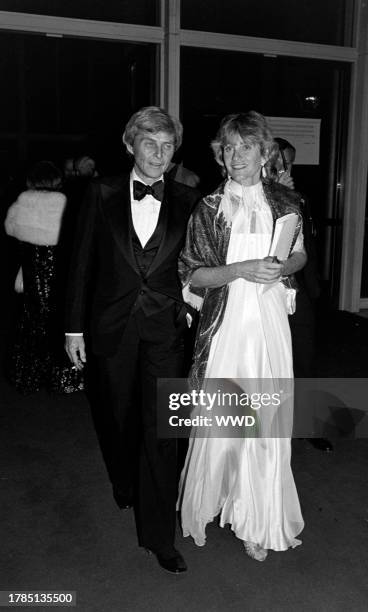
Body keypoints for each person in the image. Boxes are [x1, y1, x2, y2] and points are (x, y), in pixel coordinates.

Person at [64, 106, 201, 574]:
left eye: (167, 146)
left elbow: (199, 261)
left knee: (163, 429)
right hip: (112, 327)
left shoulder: (189, 197)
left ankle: (160, 536)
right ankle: (124, 479)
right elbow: (80, 264)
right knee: (118, 419)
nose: (159, 154)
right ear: (130, 145)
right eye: (150, 144)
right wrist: (73, 327)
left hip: (166, 331)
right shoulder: (98, 193)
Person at [178, 111, 306, 561]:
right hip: (228, 325)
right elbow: (193, 274)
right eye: (228, 148)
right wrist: (241, 270)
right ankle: (218, 501)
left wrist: (281, 267)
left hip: (268, 320)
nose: (235, 156)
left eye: (245, 147)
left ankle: (258, 518)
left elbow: (299, 255)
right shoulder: (209, 208)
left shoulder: (286, 202)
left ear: (263, 152)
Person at [273, 138, 333, 452]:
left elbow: (307, 243)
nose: (288, 169)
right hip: (267, 294)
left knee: (305, 361)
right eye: (282, 163)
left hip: (300, 293)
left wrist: (314, 286)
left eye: (291, 163)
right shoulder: (256, 200)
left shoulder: (301, 198)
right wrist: (278, 196)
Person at [4, 161, 83, 394]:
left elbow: (10, 231)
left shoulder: (21, 202)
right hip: (59, 274)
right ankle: (64, 379)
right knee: (60, 324)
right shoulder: (65, 205)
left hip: (31, 274)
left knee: (30, 324)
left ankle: (30, 376)